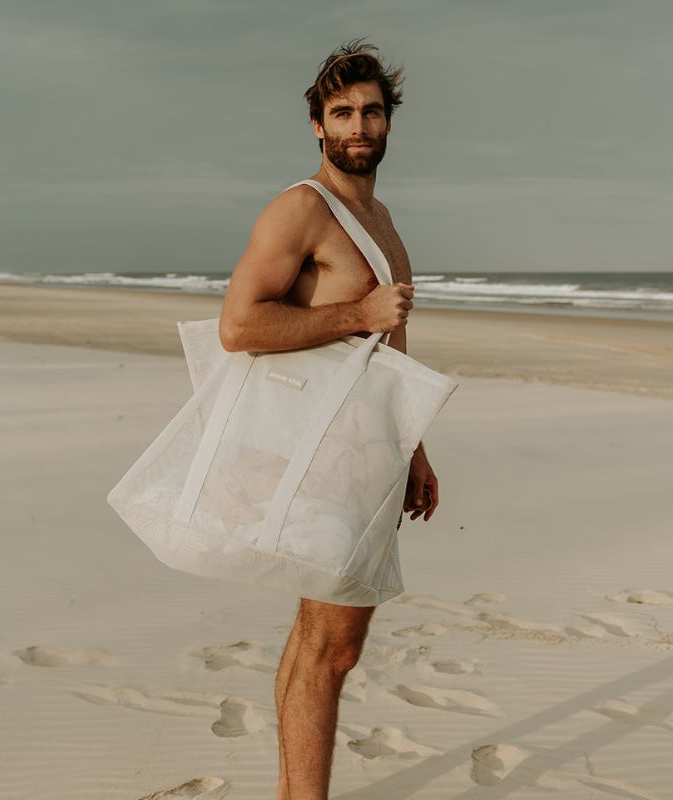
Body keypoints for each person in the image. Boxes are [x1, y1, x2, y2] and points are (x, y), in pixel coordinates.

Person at [218, 37, 440, 800]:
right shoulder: (301, 210)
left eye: (371, 111)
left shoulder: (378, 217)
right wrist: (358, 313)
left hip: (372, 455)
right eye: (342, 112)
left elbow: (390, 346)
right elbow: (241, 327)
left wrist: (413, 446)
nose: (358, 125)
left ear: (388, 123)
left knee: (321, 638)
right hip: (321, 457)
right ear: (317, 124)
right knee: (332, 646)